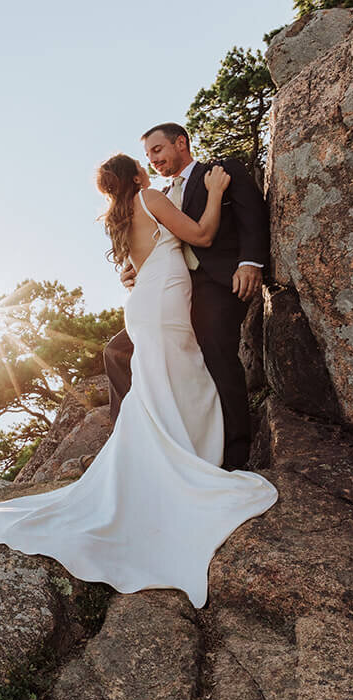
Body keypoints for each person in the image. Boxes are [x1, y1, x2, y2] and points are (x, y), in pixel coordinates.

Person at [0, 150, 277, 609]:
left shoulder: (119, 215)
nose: (151, 165)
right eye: (145, 161)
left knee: (162, 379)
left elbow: (139, 265)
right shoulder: (150, 197)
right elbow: (201, 234)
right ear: (136, 174)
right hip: (164, 300)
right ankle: (191, 459)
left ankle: (171, 453)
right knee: (183, 376)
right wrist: (218, 191)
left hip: (147, 301)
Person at [112, 122, 268, 471]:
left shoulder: (220, 171)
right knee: (116, 351)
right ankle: (141, 442)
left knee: (214, 347)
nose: (152, 160)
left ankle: (234, 454)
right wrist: (135, 269)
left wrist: (250, 261)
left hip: (216, 283)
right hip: (174, 291)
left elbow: (252, 214)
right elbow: (162, 241)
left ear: (180, 143)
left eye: (157, 150)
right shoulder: (159, 197)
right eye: (147, 155)